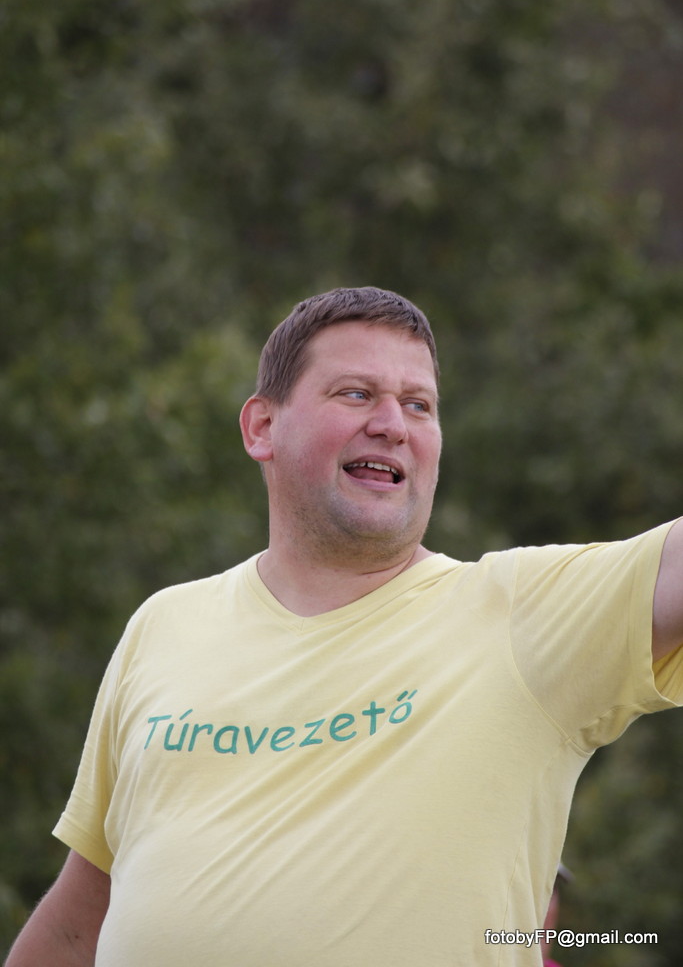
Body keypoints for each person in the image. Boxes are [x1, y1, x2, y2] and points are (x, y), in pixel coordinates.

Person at [5, 287, 683, 967]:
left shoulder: (521, 612)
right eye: (356, 394)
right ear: (261, 427)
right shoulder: (163, 624)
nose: (393, 425)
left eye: (418, 405)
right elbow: (80, 922)